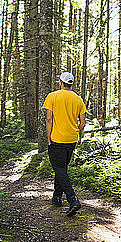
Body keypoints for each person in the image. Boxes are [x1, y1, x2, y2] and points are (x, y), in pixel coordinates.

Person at [42, 71, 86, 216]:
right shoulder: (78, 99)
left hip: (57, 139)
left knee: (59, 169)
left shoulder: (52, 96)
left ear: (61, 82)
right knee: (62, 168)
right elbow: (83, 123)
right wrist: (76, 132)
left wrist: (48, 138)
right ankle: (56, 197)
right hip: (71, 139)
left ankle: (73, 199)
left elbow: (49, 119)